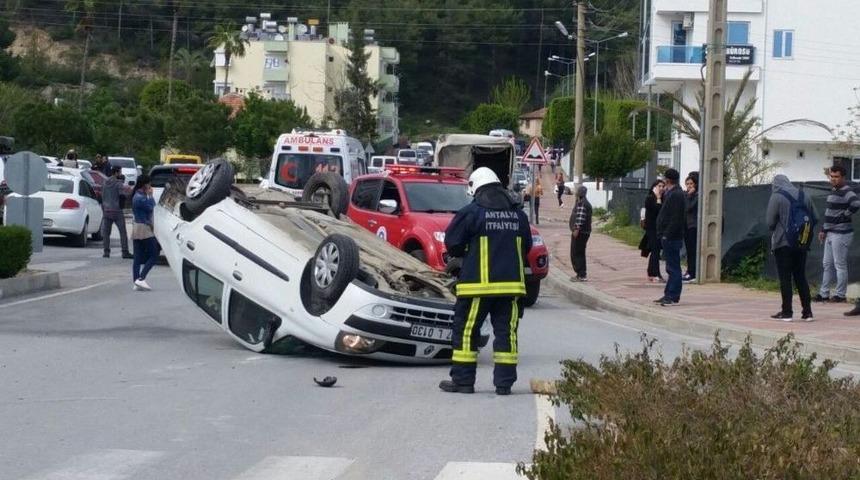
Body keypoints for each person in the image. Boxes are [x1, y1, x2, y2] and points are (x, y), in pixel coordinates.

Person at [439, 167, 532, 396]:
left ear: (475, 187)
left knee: (466, 332)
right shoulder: (518, 215)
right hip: (511, 288)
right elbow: (527, 246)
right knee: (507, 334)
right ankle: (504, 384)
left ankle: (463, 382)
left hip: (477, 287)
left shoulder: (472, 213)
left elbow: (453, 244)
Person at [766, 175, 816, 321]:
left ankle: (787, 312)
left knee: (785, 278)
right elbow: (815, 217)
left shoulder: (777, 196)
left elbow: (769, 222)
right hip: (802, 243)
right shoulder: (804, 195)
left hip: (783, 243)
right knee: (800, 276)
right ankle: (807, 312)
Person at [814, 165, 859, 303]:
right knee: (827, 264)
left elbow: (856, 203)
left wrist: (845, 215)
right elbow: (829, 214)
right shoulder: (834, 191)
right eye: (831, 176)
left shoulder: (847, 191)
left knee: (839, 264)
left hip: (842, 233)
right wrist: (823, 230)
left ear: (843, 177)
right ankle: (824, 294)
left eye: (836, 177)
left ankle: (840, 295)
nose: (833, 179)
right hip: (830, 232)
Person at [654, 168, 685, 306]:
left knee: (673, 267)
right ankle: (668, 293)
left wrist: (667, 234)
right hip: (668, 235)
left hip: (672, 236)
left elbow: (675, 218)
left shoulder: (676, 194)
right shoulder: (671, 193)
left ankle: (672, 295)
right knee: (670, 267)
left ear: (668, 180)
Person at [131, 175, 158, 291]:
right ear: (145, 184)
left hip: (137, 227)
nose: (150, 186)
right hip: (144, 228)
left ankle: (136, 281)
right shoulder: (140, 198)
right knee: (154, 254)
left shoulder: (137, 195)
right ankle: (141, 278)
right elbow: (151, 207)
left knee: (137, 257)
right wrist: (150, 195)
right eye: (149, 183)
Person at [101, 166, 132, 259]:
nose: (121, 174)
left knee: (106, 233)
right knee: (123, 232)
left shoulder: (105, 183)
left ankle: (106, 252)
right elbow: (122, 196)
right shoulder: (118, 184)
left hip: (106, 210)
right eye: (120, 172)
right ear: (116, 173)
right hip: (117, 210)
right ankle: (125, 251)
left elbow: (102, 195)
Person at [641, 179, 664, 282]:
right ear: (654, 187)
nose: (661, 188)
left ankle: (652, 272)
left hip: (659, 229)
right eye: (659, 186)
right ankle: (655, 273)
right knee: (655, 251)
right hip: (652, 228)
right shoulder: (650, 198)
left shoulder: (663, 198)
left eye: (663, 186)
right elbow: (656, 210)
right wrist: (658, 198)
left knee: (656, 251)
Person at [569, 186, 592, 281]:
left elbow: (580, 218)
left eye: (577, 192)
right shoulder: (581, 202)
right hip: (584, 232)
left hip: (581, 232)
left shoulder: (582, 203)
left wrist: (576, 229)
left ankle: (581, 274)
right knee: (580, 252)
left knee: (577, 253)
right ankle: (581, 274)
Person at [683, 172, 699, 282]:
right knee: (689, 250)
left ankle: (693, 272)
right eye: (687, 184)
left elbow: (688, 207)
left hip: (693, 226)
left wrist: (689, 195)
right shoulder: (686, 195)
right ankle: (689, 270)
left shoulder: (696, 196)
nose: (689, 186)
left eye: (691, 184)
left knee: (693, 250)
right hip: (686, 226)